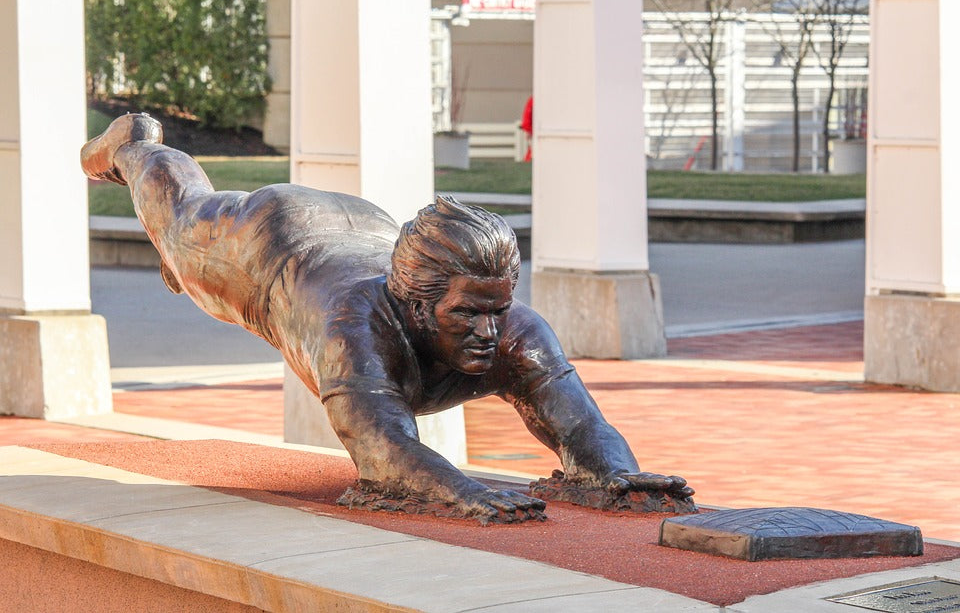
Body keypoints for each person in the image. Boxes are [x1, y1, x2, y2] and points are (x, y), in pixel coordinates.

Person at [81, 113, 693, 523]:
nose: (489, 331)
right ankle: (136, 144)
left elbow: (581, 424)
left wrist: (618, 475)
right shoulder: (353, 325)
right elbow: (383, 454)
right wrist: (464, 492)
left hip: (363, 226)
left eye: (497, 310)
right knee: (181, 223)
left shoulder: (516, 330)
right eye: (466, 314)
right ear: (415, 306)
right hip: (268, 243)